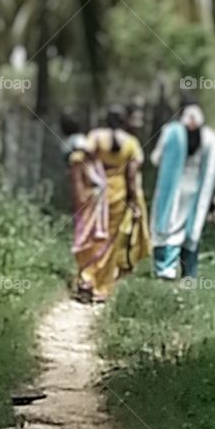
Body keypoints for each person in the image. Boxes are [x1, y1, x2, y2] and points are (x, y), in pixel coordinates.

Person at [70, 107, 148, 301]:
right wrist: (133, 200)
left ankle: (87, 277)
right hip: (118, 193)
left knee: (92, 234)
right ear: (124, 122)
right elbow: (131, 175)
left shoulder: (96, 136)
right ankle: (101, 287)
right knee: (110, 240)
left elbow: (82, 157)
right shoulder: (131, 143)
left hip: (96, 193)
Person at [149, 103, 215, 280]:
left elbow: (156, 159)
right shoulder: (210, 137)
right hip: (196, 188)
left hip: (172, 189)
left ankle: (166, 268)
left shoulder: (171, 132)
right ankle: (189, 272)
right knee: (191, 229)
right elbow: (212, 169)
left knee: (167, 227)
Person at [62, 114, 109, 303]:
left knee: (85, 236)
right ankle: (90, 280)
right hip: (90, 194)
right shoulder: (80, 150)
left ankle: (88, 280)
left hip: (85, 195)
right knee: (90, 236)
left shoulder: (77, 149)